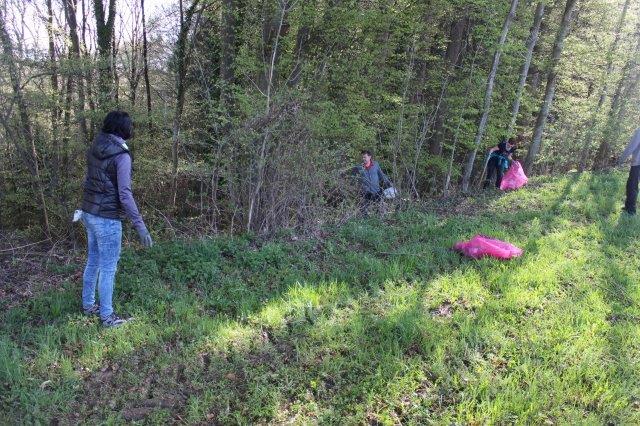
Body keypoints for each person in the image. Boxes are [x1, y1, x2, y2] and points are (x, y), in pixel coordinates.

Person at [78, 111, 153, 327]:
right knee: (109, 268)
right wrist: (140, 226)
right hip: (107, 218)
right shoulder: (121, 156)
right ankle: (107, 317)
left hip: (89, 213)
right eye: (130, 126)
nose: (132, 129)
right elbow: (125, 194)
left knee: (93, 260)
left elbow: (91, 181)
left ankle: (88, 305)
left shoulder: (96, 146)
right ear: (122, 129)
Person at [354, 150, 392, 215]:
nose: (363, 159)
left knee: (380, 209)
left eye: (364, 157)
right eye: (362, 157)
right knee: (364, 211)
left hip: (376, 190)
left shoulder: (375, 165)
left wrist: (388, 182)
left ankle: (379, 221)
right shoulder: (359, 167)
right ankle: (364, 222)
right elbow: (355, 178)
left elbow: (381, 175)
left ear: (369, 157)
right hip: (365, 192)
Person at [617, 128, 640, 215]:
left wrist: (621, 159)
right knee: (632, 185)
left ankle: (630, 210)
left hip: (638, 163)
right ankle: (628, 206)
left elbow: (631, 146)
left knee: (632, 185)